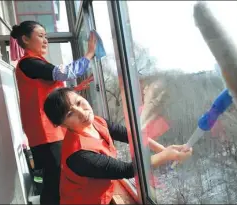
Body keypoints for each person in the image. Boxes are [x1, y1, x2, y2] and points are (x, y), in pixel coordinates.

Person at [43, 87, 193, 204]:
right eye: (70, 114)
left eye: (78, 102)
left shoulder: (97, 122)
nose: (82, 112)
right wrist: (166, 156)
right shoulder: (78, 155)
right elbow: (126, 170)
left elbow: (131, 136)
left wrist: (163, 149)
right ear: (62, 125)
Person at [10, 20, 96, 205]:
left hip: (48, 131)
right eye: (40, 36)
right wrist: (89, 54)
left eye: (46, 36)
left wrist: (74, 89)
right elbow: (63, 73)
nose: (45, 40)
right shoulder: (29, 63)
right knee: (54, 182)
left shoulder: (36, 63)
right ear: (25, 39)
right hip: (45, 133)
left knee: (56, 179)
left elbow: (48, 92)